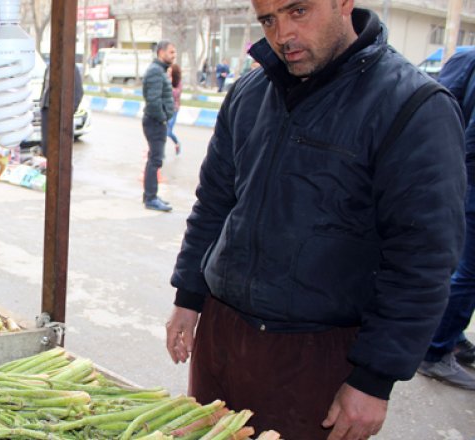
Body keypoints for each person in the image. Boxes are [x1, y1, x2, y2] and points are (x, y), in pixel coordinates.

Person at [165, 0, 465, 438]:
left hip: (321, 353)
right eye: (268, 19)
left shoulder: (414, 106)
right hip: (223, 335)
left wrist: (373, 379)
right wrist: (188, 296)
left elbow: (423, 260)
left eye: (298, 11)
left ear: (344, 3)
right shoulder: (250, 92)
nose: (282, 33)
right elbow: (214, 203)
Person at [417, 48, 475, 390]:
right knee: (465, 270)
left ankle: (450, 336)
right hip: (468, 178)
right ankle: (437, 350)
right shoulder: (467, 57)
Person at [141, 40, 176, 212]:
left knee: (153, 159)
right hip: (155, 122)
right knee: (155, 160)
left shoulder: (159, 70)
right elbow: (153, 101)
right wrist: (162, 117)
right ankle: (151, 198)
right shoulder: (156, 71)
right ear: (161, 52)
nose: (173, 55)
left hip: (156, 121)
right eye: (171, 52)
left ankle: (149, 195)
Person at [39, 64, 84, 158]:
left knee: (61, 147)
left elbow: (78, 92)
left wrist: (68, 112)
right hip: (46, 110)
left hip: (61, 113)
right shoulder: (49, 66)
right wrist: (41, 103)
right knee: (46, 145)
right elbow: (45, 88)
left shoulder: (70, 66)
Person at [167, 64, 182, 155]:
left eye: (170, 71)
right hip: (165, 109)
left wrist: (169, 86)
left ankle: (177, 143)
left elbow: (177, 93)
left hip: (174, 109)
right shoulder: (166, 79)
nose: (168, 72)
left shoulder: (178, 82)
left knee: (168, 132)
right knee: (162, 132)